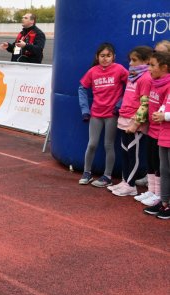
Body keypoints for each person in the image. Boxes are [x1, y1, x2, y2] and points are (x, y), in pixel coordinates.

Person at [78, 43, 128, 187]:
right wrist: (85, 110)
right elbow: (81, 88)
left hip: (111, 114)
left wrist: (119, 105)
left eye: (108, 56)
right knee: (92, 144)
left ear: (114, 57)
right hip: (96, 114)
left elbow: (132, 87)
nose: (105, 59)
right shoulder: (93, 71)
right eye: (102, 56)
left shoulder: (119, 69)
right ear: (97, 57)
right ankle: (87, 173)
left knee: (108, 145)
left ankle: (107, 176)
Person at [108, 46, 153, 197]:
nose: (131, 64)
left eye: (134, 60)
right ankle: (125, 180)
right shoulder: (132, 76)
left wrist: (136, 123)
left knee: (134, 155)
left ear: (146, 61)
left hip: (135, 124)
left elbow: (145, 104)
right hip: (124, 119)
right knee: (125, 153)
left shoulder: (146, 78)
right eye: (130, 60)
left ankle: (131, 185)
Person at [135, 40, 170, 189]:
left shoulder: (166, 83)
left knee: (163, 167)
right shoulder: (154, 80)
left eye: (161, 52)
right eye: (155, 52)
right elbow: (149, 103)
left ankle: (161, 198)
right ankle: (155, 192)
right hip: (154, 129)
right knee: (154, 161)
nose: (156, 55)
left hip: (163, 131)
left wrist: (164, 116)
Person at [143, 51, 170, 219]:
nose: (149, 68)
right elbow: (165, 104)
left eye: (152, 65)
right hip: (164, 134)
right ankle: (165, 202)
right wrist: (160, 112)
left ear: (164, 68)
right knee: (164, 170)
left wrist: (164, 116)